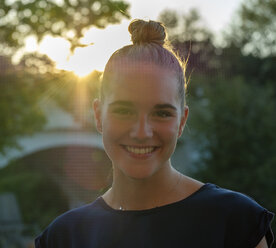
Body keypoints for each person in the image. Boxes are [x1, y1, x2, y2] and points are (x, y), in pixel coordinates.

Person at [34, 19, 274, 248]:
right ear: (98, 115)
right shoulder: (64, 237)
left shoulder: (234, 222)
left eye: (161, 113)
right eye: (124, 111)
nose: (141, 132)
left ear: (182, 121)